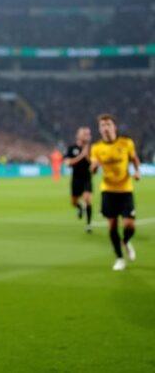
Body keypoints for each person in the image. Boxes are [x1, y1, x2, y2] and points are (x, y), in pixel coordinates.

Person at [90, 114, 141, 271]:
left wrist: (137, 171)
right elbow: (92, 169)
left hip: (125, 190)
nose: (105, 128)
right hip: (108, 191)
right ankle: (119, 258)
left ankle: (125, 241)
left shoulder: (126, 142)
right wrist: (94, 167)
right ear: (99, 129)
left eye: (108, 124)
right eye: (102, 125)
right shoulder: (97, 148)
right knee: (112, 226)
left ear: (114, 127)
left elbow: (134, 159)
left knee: (129, 226)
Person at [64, 127, 93, 232]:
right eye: (84, 133)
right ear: (78, 135)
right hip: (76, 178)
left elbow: (93, 164)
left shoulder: (92, 148)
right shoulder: (72, 148)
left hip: (87, 177)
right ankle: (80, 208)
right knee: (74, 202)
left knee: (87, 199)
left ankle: (89, 224)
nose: (87, 135)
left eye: (88, 134)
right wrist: (81, 155)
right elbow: (67, 163)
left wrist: (88, 155)